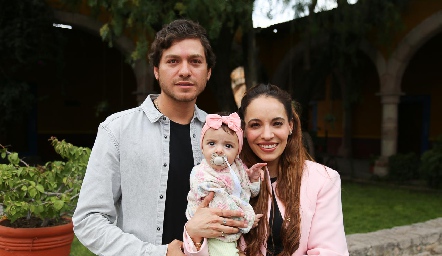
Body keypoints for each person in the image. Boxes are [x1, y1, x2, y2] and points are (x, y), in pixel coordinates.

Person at [72, 19, 246, 256]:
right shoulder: (118, 130)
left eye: (195, 61)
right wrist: (157, 253)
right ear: (156, 70)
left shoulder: (223, 133)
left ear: (208, 72)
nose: (185, 70)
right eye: (173, 61)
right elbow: (88, 220)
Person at [184, 83, 349, 255]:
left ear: (290, 126)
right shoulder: (225, 177)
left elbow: (330, 251)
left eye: (277, 123)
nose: (267, 135)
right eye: (255, 125)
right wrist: (194, 234)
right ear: (244, 130)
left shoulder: (323, 180)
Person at [185, 112, 266, 256]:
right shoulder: (201, 173)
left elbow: (248, 192)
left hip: (233, 230)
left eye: (228, 145)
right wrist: (247, 219)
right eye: (211, 143)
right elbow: (221, 204)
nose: (219, 150)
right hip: (213, 232)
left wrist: (253, 180)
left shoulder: (237, 167)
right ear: (202, 147)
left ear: (237, 152)